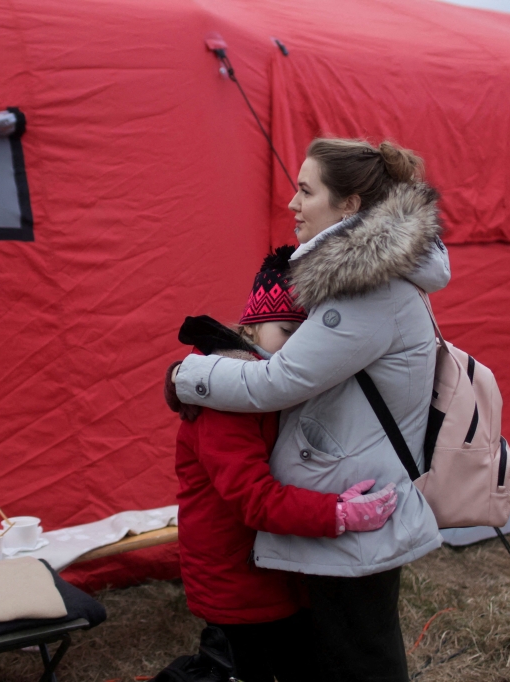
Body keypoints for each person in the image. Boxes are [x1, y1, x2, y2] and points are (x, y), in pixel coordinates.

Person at [171, 138, 450, 682]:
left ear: (348, 206)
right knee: (347, 651)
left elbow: (280, 380)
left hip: (351, 503)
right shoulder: (365, 282)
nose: (293, 205)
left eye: (306, 190)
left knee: (359, 657)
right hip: (341, 496)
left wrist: (189, 374)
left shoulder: (366, 292)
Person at [163, 245, 399, 682]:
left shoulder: (284, 386)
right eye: (288, 331)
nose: (299, 350)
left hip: (276, 564)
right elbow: (253, 498)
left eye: (311, 337)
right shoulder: (226, 394)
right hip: (240, 578)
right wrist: (337, 514)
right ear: (253, 324)